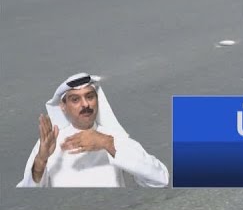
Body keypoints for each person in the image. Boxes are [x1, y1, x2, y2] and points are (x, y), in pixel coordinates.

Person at [16, 73, 169, 188]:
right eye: (75, 99)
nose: (85, 105)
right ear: (63, 106)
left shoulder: (112, 137)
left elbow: (160, 179)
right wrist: (40, 161)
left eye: (89, 97)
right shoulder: (49, 144)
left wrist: (108, 144)